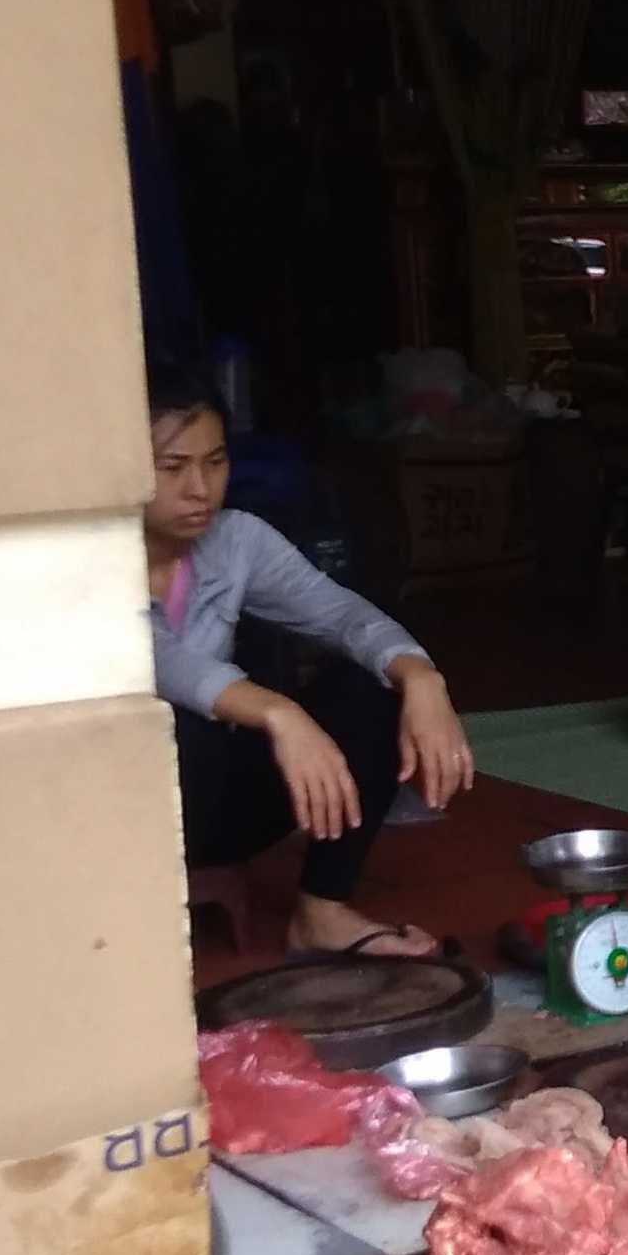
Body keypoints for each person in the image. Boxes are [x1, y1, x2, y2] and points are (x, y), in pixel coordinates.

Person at [145, 368, 475, 955]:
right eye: (173, 468)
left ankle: (321, 911)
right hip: (134, 810)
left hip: (222, 807)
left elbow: (341, 615)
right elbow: (160, 661)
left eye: (215, 462)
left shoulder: (234, 539)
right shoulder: (91, 557)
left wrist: (421, 674)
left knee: (374, 688)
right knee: (174, 725)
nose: (200, 488)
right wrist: (279, 713)